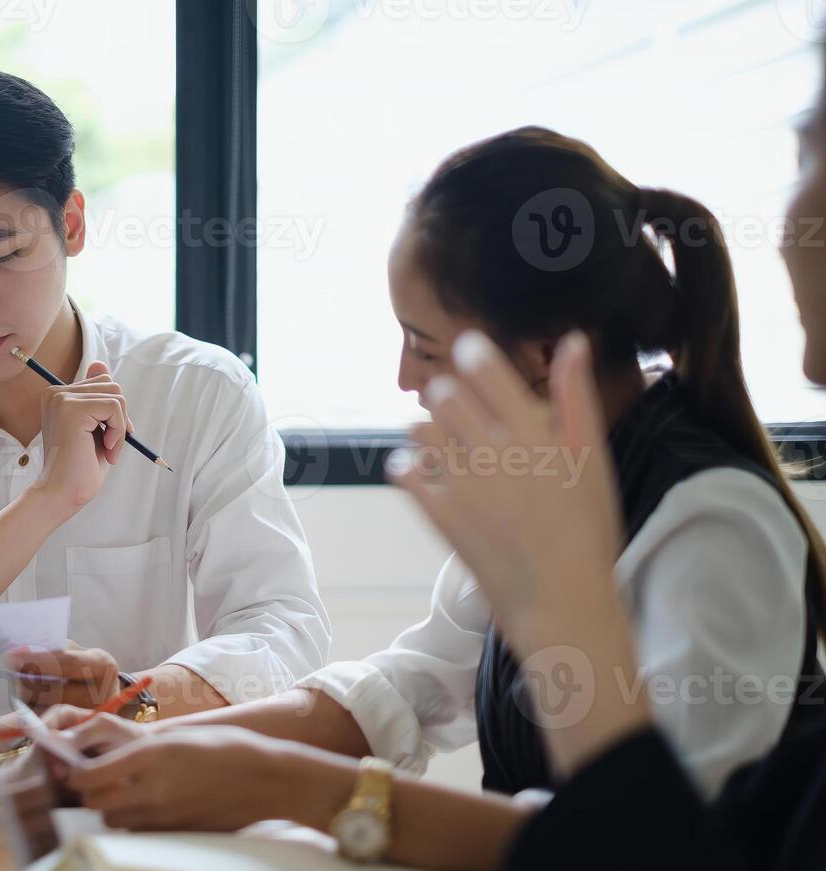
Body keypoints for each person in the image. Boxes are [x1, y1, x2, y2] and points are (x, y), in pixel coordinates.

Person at [44, 126, 826, 801]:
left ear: (550, 352)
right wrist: (149, 738)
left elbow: (657, 845)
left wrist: (317, 798)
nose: (405, 380)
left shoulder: (711, 521)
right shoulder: (545, 487)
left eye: (425, 345)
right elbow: (409, 688)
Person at [0, 66, 331, 717]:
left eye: (0, 255)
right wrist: (51, 499)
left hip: (128, 788)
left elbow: (283, 630)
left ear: (71, 224)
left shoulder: (196, 390)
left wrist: (133, 697)